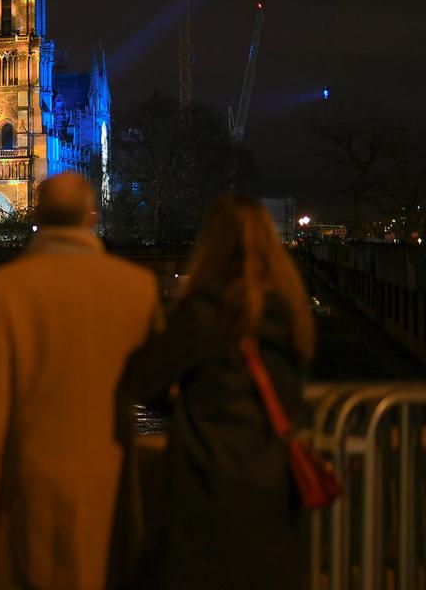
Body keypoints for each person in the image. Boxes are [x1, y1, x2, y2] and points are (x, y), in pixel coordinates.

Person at [0, 172, 162, 590]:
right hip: (113, 475)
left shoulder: (5, 288)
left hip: (35, 473)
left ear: (37, 215)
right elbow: (157, 384)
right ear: (91, 218)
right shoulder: (138, 287)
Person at [118, 193, 315, 590]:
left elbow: (141, 379)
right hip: (275, 494)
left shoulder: (206, 312)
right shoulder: (292, 314)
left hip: (206, 490)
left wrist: (185, 400)